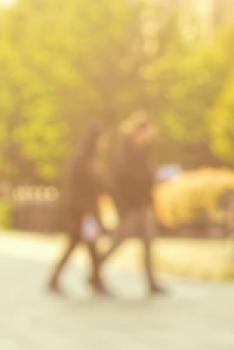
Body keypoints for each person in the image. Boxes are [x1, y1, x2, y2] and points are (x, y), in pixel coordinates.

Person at [100, 113, 166, 296]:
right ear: (138, 131)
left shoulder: (143, 151)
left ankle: (151, 282)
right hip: (129, 206)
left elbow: (145, 180)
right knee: (119, 240)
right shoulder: (124, 151)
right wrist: (123, 205)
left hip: (141, 205)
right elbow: (119, 180)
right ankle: (96, 270)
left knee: (147, 241)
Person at [48, 125, 110, 297]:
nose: (106, 142)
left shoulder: (90, 157)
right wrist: (84, 211)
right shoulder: (83, 159)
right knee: (87, 246)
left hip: (85, 211)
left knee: (83, 246)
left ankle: (57, 280)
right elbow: (78, 187)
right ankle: (95, 281)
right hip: (82, 212)